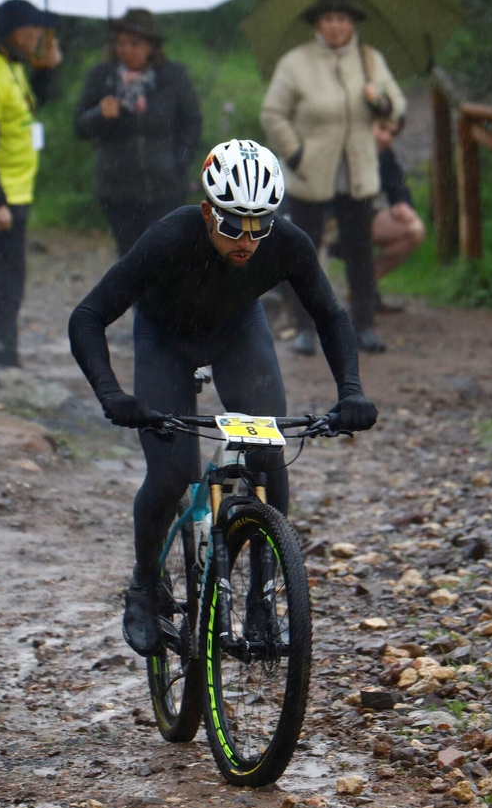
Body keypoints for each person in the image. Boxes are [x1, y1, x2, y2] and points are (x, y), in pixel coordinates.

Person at [68, 139, 378, 656]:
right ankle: (145, 583)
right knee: (171, 474)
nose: (248, 240)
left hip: (236, 333)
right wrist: (112, 394)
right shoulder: (170, 237)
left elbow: (331, 316)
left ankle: (262, 596)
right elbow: (88, 316)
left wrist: (351, 391)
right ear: (209, 211)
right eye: (233, 224)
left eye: (260, 225)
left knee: (268, 455)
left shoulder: (286, 242)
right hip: (164, 339)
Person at [260, 0, 405, 356]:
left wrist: (380, 101)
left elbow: (396, 109)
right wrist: (295, 155)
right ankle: (305, 326)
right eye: (328, 19)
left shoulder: (370, 60)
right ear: (318, 24)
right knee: (303, 250)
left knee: (359, 250)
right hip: (311, 172)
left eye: (342, 18)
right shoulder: (296, 62)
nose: (336, 26)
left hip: (357, 171)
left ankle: (364, 324)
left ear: (353, 23)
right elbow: (272, 113)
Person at [0, 0, 61, 368]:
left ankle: (6, 348)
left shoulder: (11, 65)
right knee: (4, 277)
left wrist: (49, 69)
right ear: (19, 32)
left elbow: (30, 108)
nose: (39, 36)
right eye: (35, 30)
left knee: (12, 275)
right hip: (1, 194)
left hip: (18, 188)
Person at [73, 8, 203, 255]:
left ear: (151, 46)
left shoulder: (172, 76)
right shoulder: (103, 77)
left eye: (135, 44)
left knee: (161, 255)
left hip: (166, 187)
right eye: (121, 43)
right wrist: (99, 114)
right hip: (118, 189)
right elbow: (80, 126)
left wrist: (180, 160)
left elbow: (191, 122)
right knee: (130, 257)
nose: (127, 51)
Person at [369, 117, 426, 296]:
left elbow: (397, 184)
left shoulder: (383, 153)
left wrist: (401, 204)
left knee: (414, 229)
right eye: (382, 128)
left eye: (392, 133)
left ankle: (365, 284)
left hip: (360, 220)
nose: (385, 137)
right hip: (325, 220)